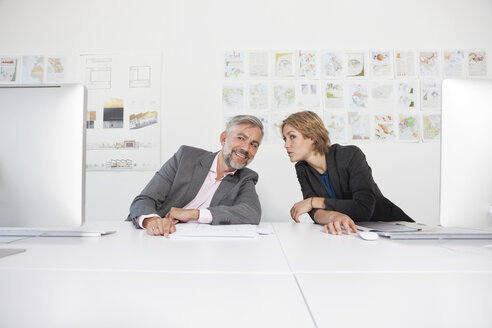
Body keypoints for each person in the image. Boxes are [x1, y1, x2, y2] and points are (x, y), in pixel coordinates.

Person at [127, 115, 264, 236]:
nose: (246, 148)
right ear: (223, 138)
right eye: (241, 138)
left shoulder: (245, 178)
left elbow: (252, 212)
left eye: (254, 144)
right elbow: (145, 199)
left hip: (199, 247)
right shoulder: (185, 158)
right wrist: (153, 221)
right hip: (157, 238)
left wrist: (194, 214)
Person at [281, 111, 413, 235]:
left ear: (312, 137)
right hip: (354, 233)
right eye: (285, 138)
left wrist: (313, 201)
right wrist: (334, 216)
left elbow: (364, 209)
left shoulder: (350, 155)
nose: (286, 145)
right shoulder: (302, 168)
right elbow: (315, 213)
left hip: (393, 228)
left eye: (292, 137)